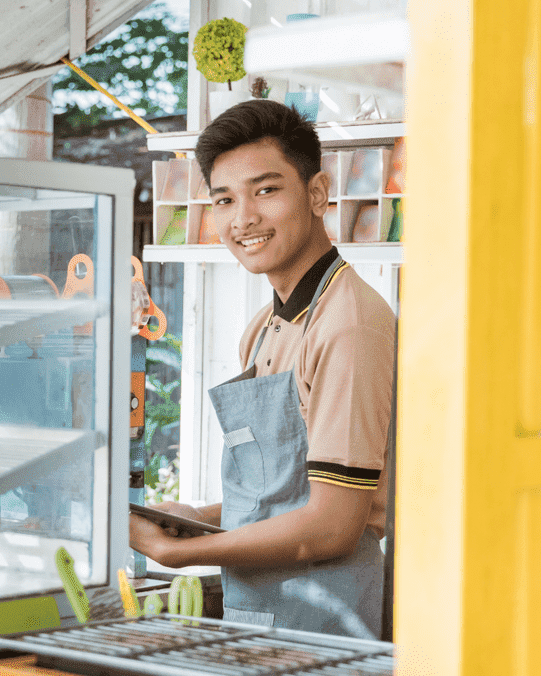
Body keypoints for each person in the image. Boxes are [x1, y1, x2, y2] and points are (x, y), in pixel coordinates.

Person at [129, 100, 397, 638]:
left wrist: (182, 553)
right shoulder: (263, 327)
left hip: (326, 629)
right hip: (257, 620)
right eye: (224, 199)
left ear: (317, 193)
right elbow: (289, 495)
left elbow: (331, 528)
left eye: (265, 190)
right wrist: (194, 517)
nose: (242, 218)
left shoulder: (349, 325)